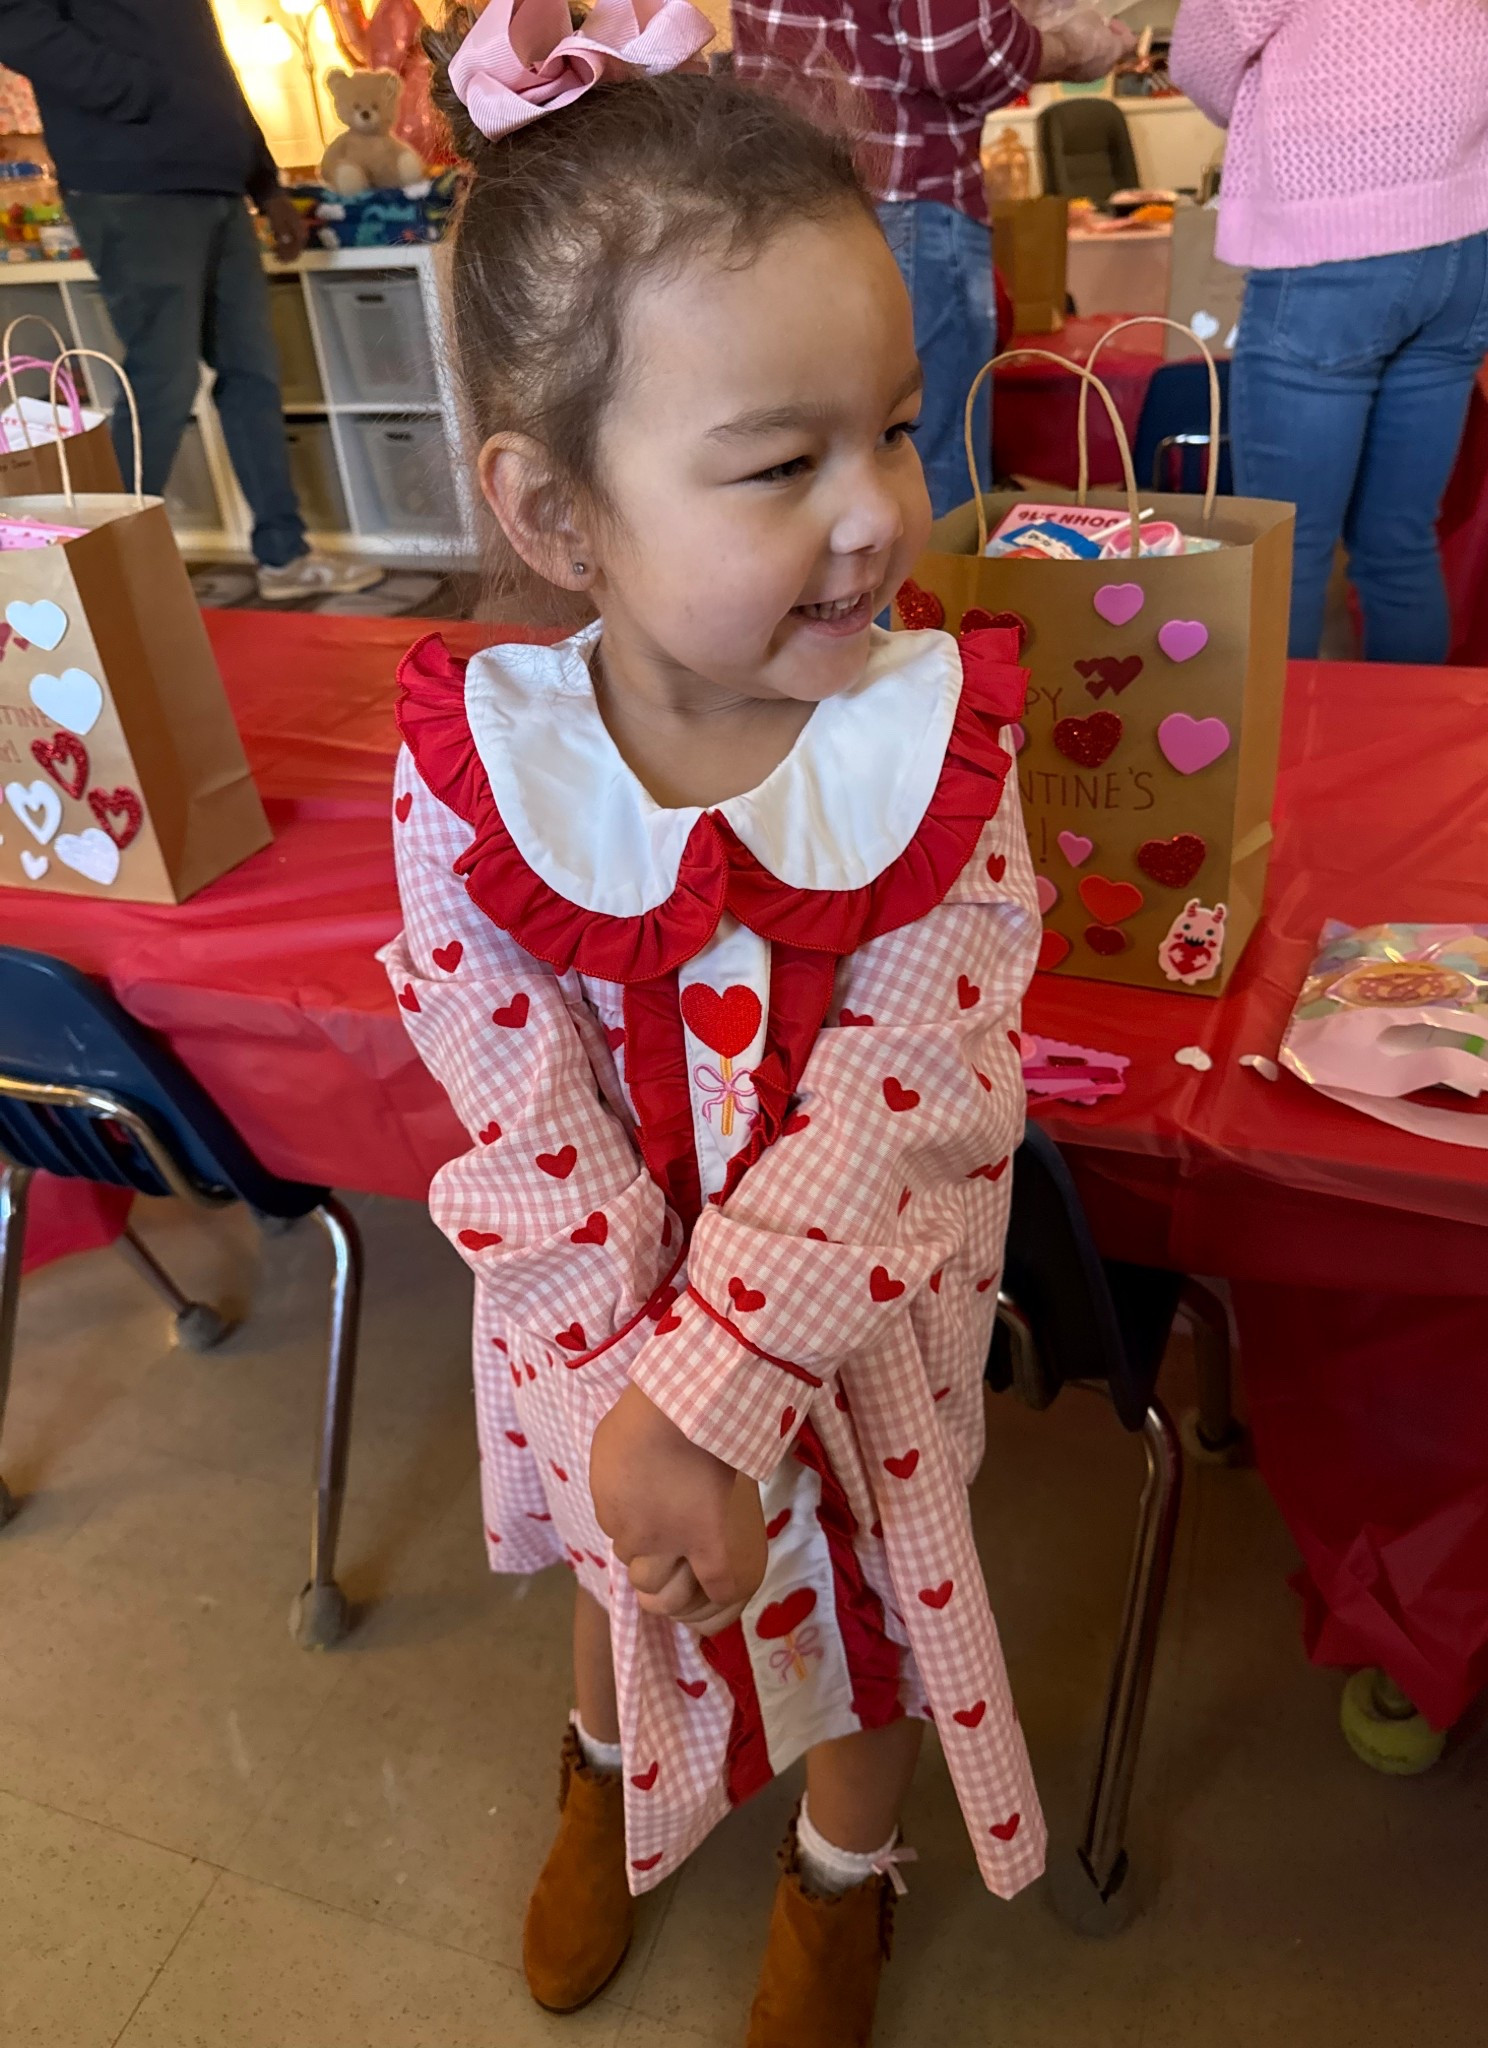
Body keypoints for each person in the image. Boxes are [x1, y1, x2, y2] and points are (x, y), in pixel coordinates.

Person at [383, 2, 1046, 2040]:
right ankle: (606, 1778)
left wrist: (729, 1383)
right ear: (559, 513)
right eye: (781, 463)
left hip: (862, 1314)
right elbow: (509, 1093)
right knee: (632, 1581)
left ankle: (848, 1872)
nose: (873, 513)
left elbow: (923, 1075)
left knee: (867, 1608)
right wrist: (641, 1417)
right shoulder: (482, 775)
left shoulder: (933, 740)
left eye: (898, 430)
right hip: (600, 1338)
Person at [1171, 0, 1488, 662]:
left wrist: (1272, 103)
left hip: (1340, 215)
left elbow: (1202, 53)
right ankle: (1410, 756)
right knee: (1400, 540)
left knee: (1289, 550)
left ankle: (1282, 766)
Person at [0, 0, 383, 600]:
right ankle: (101, 575)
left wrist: (264, 180)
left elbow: (210, 62)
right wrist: (139, 94)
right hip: (130, 184)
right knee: (163, 380)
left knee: (253, 373)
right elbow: (18, 24)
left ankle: (284, 556)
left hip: (217, 185)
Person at [732, 0, 1135, 516]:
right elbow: (959, 49)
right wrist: (1080, 47)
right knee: (927, 467)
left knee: (815, 461)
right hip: (903, 194)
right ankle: (921, 599)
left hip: (781, 190)